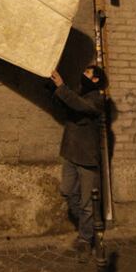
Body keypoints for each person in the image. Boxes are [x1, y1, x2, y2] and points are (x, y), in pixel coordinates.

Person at [50, 65, 106, 259]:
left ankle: (85, 240)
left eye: (88, 73)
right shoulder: (79, 94)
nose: (84, 75)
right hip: (71, 154)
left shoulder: (97, 99)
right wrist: (56, 88)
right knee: (67, 191)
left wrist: (62, 86)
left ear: (96, 79)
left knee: (87, 203)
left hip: (87, 159)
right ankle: (86, 225)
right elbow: (67, 103)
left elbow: (78, 105)